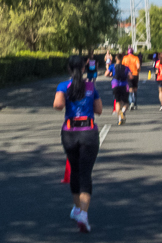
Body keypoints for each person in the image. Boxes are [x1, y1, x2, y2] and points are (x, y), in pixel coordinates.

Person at [54, 55, 103, 233]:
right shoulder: (91, 86)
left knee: (74, 170)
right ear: (83, 68)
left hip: (69, 133)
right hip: (88, 133)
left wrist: (67, 100)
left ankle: (77, 209)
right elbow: (99, 110)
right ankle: (83, 213)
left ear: (68, 68)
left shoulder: (63, 86)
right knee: (85, 173)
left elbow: (58, 105)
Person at [111, 55, 130, 124]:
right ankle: (123, 111)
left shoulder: (113, 66)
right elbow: (130, 76)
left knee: (117, 102)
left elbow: (106, 73)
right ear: (122, 59)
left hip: (115, 85)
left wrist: (111, 75)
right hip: (124, 85)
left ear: (115, 58)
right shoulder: (126, 68)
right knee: (126, 103)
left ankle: (119, 119)